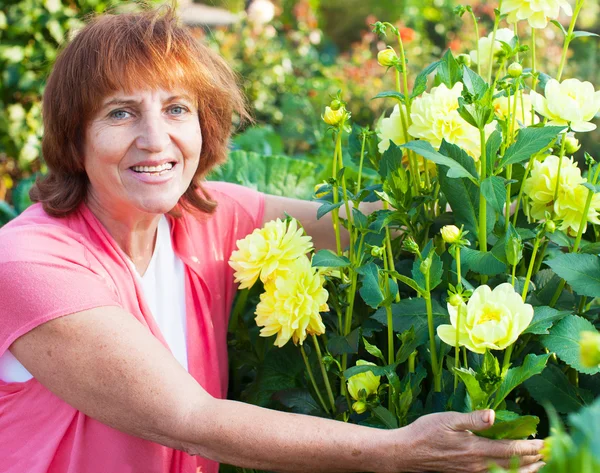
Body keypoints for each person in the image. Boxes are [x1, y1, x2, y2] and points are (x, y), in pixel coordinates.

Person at [0, 6, 545, 473]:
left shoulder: (205, 214)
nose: (155, 139)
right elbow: (191, 420)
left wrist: (528, 195)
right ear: (74, 135)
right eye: (120, 113)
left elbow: (371, 223)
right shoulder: (32, 261)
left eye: (176, 109)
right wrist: (397, 450)